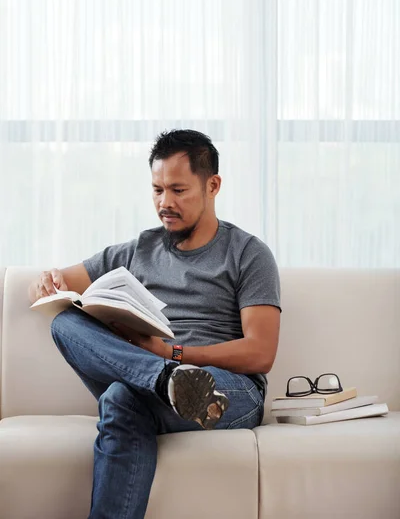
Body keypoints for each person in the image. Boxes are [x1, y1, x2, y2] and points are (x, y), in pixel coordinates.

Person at [28, 129, 281, 519]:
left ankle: (168, 377)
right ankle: (165, 379)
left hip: (226, 392)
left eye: (179, 190)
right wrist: (47, 282)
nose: (165, 203)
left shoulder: (248, 253)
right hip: (154, 381)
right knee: (63, 322)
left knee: (118, 400)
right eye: (158, 190)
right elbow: (57, 283)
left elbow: (260, 353)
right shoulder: (136, 250)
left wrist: (172, 353)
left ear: (212, 185)